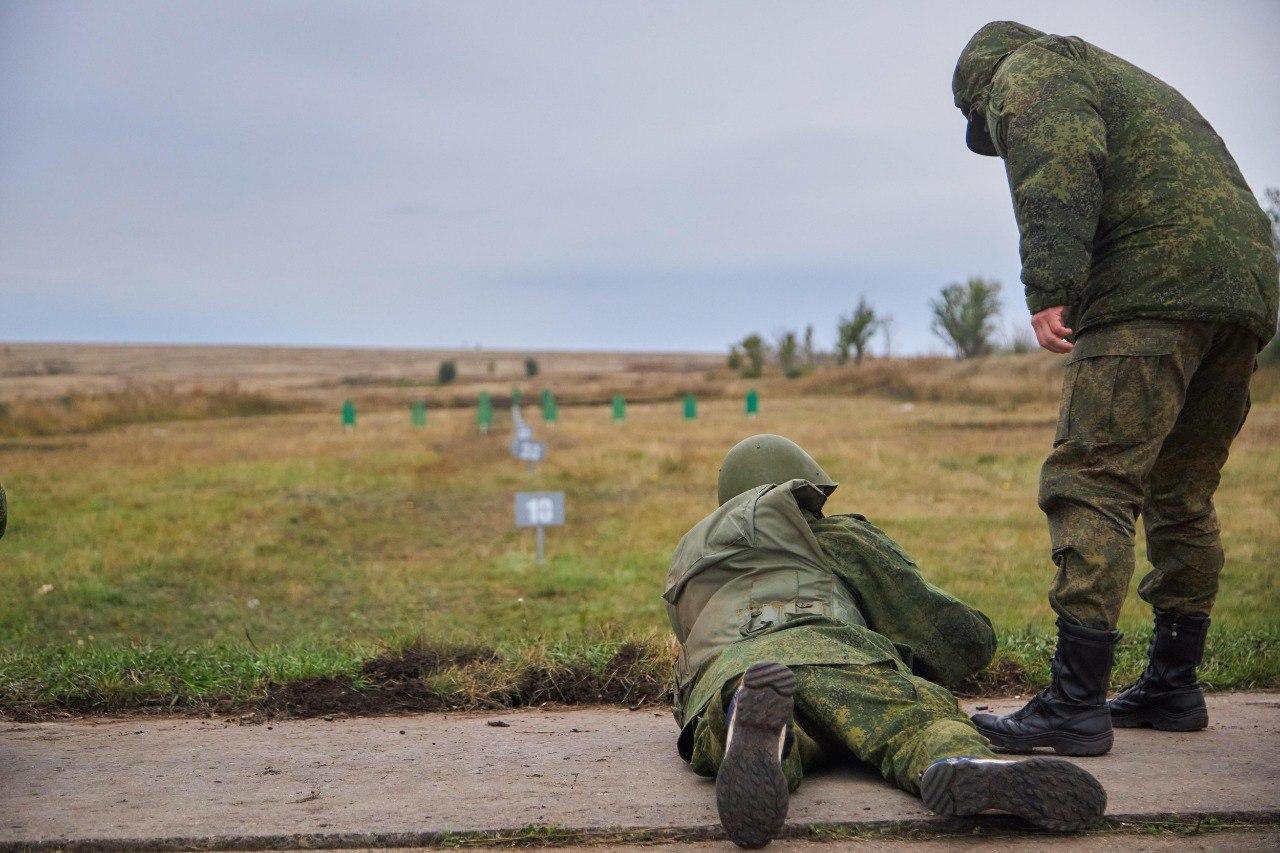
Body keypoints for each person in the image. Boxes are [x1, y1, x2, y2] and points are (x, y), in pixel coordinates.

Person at [951, 21, 1278, 754]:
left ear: (983, 91)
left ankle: (1073, 701)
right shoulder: (1123, 80)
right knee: (1181, 491)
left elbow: (1058, 159)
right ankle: (1173, 684)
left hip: (1151, 287)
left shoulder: (1030, 69)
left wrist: (1052, 284)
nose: (999, 142)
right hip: (1244, 292)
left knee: (1091, 479)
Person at [665, 434, 1106, 848]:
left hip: (727, 672)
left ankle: (747, 723)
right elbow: (945, 634)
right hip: (828, 649)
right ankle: (963, 764)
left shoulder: (691, 566)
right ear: (802, 488)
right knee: (911, 724)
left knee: (764, 726)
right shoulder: (831, 537)